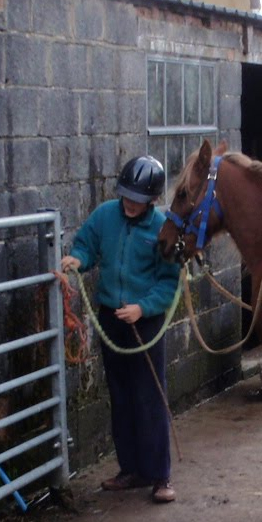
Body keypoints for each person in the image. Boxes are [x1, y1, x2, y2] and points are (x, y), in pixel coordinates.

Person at [61, 155, 181, 503]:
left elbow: (168, 281)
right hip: (111, 317)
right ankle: (130, 469)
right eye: (126, 196)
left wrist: (143, 307)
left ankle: (160, 476)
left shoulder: (162, 228)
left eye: (138, 200)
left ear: (153, 201)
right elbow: (87, 245)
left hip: (145, 322)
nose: (130, 203)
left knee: (150, 396)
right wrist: (77, 260)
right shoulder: (104, 216)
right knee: (121, 394)